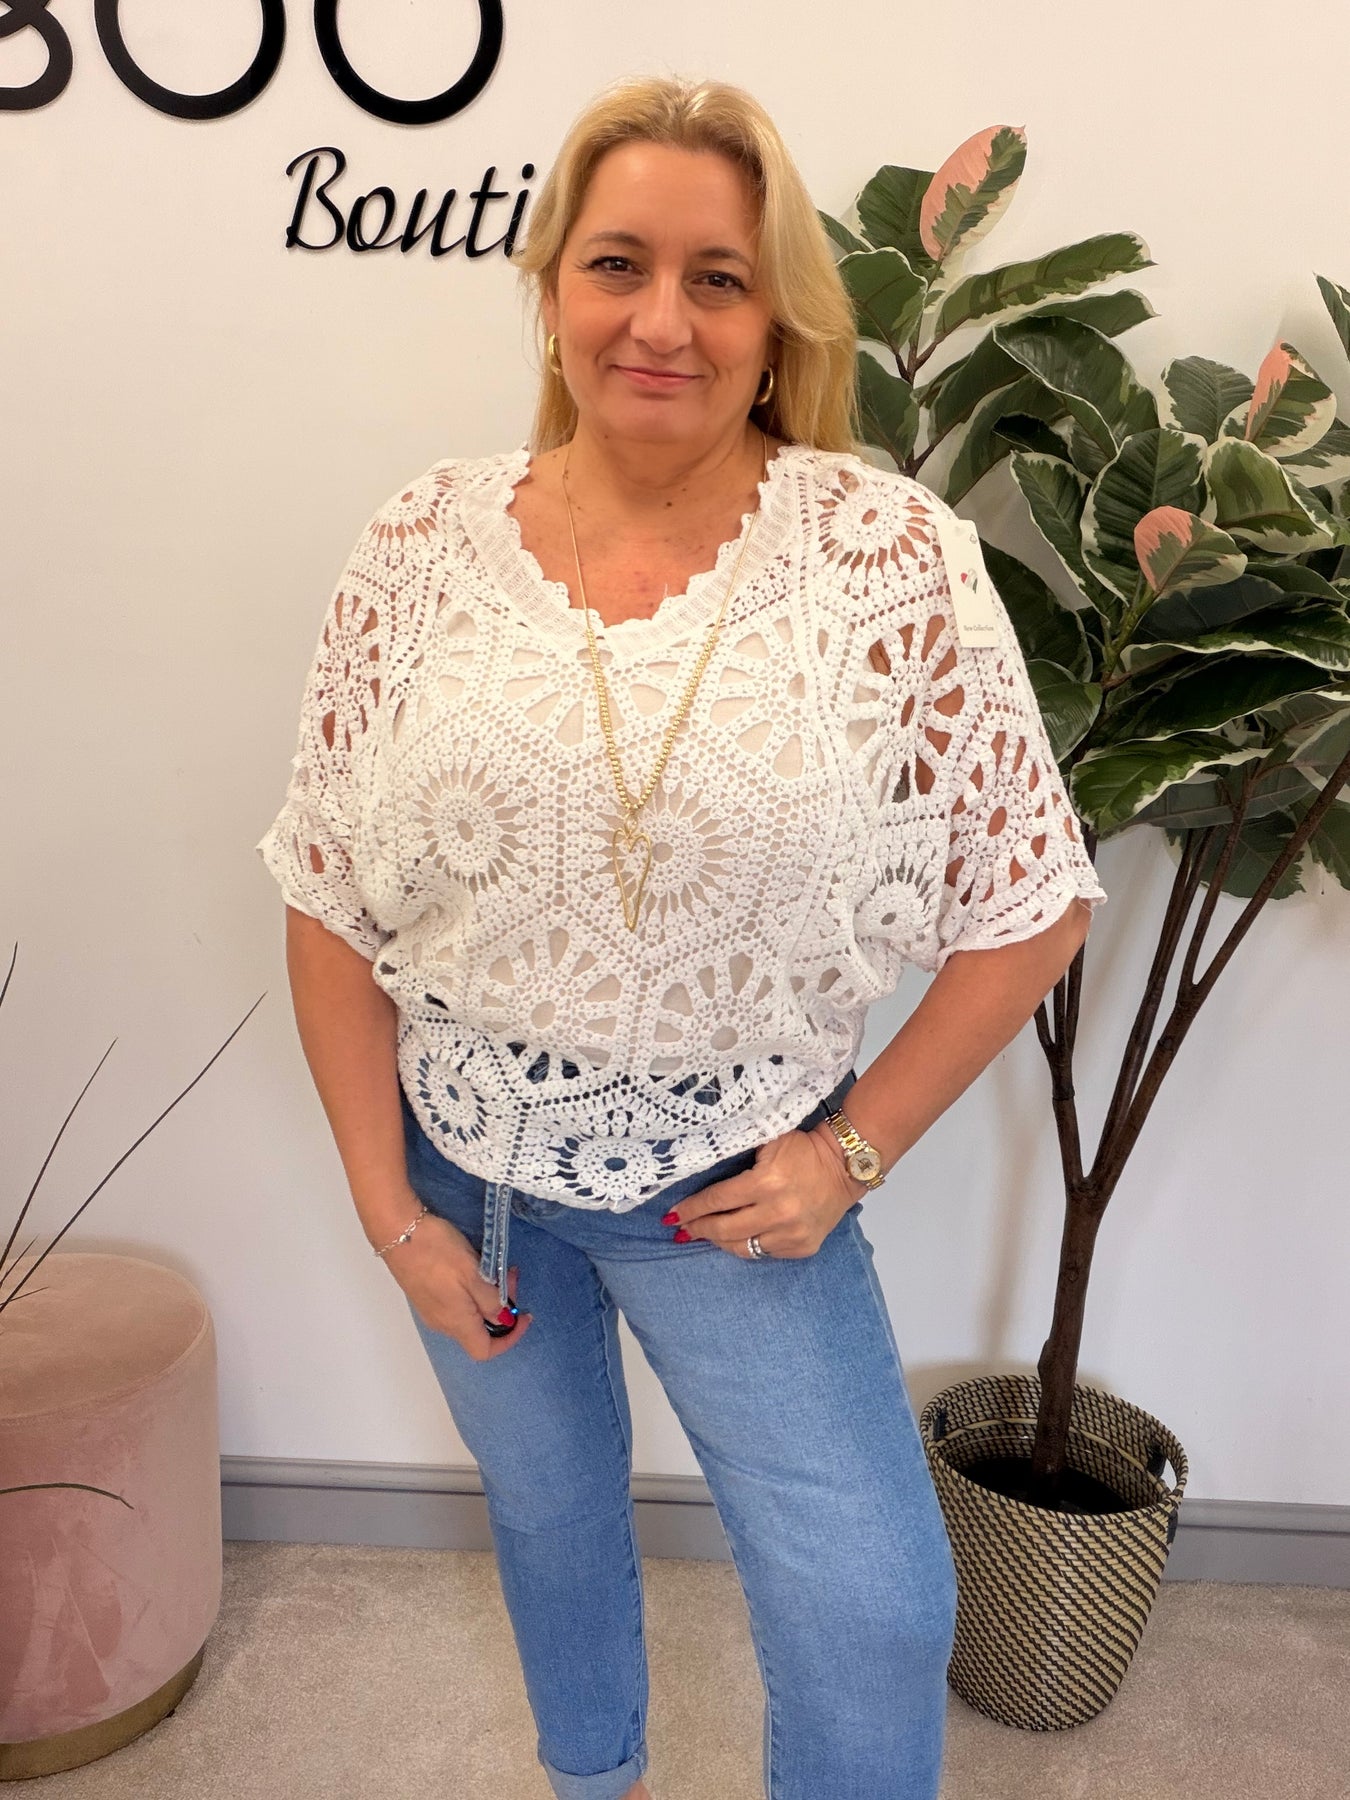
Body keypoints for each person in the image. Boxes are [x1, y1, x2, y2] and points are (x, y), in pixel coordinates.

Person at [256, 72, 1105, 1800]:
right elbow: (327, 892)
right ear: (550, 289)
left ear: (776, 315)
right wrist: (383, 1206)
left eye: (717, 278)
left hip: (731, 1191)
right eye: (617, 264)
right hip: (460, 1171)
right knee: (549, 1518)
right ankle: (597, 1778)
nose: (661, 320)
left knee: (871, 1607)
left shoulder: (886, 558)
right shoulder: (419, 542)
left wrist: (851, 1153)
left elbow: (1035, 903)